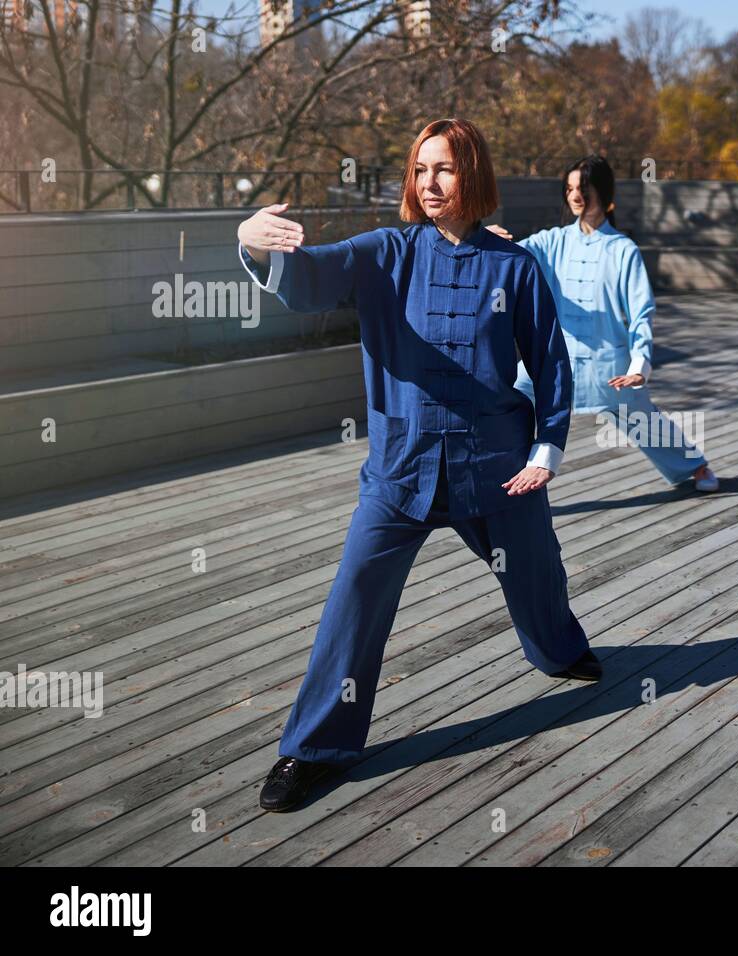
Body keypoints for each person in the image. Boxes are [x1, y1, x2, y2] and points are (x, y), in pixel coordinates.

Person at [236, 118, 600, 812]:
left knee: (535, 570)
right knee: (354, 597)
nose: (430, 183)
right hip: (401, 470)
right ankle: (314, 748)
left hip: (497, 467)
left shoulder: (515, 267)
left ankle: (558, 651)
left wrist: (546, 450)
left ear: (473, 174)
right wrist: (253, 243)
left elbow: (551, 364)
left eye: (446, 169)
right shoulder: (384, 253)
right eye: (420, 169)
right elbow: (309, 279)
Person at [488, 156, 719, 493]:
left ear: (603, 191)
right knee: (504, 396)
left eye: (583, 188)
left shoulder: (623, 250)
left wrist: (639, 366)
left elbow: (641, 311)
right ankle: (493, 477)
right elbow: (514, 254)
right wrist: (486, 238)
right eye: (569, 188)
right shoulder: (552, 241)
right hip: (554, 360)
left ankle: (696, 467)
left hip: (608, 366)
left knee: (643, 418)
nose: (575, 195)